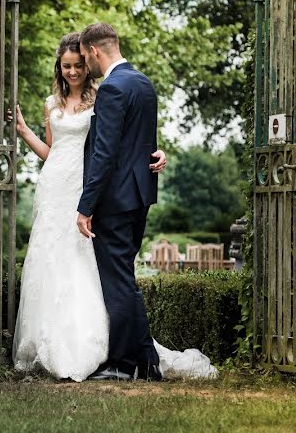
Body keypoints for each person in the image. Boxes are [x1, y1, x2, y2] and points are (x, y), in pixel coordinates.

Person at [11, 27, 216, 381]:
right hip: (101, 191)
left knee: (114, 278)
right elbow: (80, 147)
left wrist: (86, 205)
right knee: (111, 275)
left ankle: (131, 362)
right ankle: (139, 359)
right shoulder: (140, 83)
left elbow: (107, 150)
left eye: (79, 62)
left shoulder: (107, 91)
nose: (74, 71)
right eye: (66, 66)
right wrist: (25, 132)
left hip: (100, 193)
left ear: (91, 53)